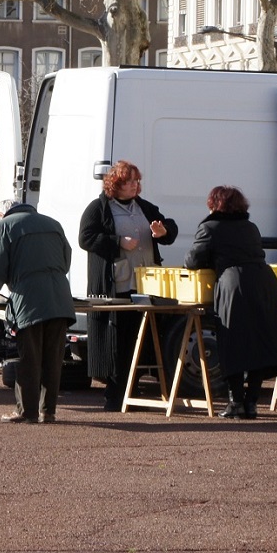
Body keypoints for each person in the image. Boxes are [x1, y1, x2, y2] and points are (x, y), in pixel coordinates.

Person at [184, 186, 277, 419]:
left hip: (234, 284)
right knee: (258, 342)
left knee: (233, 341)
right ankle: (252, 402)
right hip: (264, 282)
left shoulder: (210, 227)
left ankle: (235, 402)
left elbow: (192, 261)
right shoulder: (251, 227)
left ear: (214, 204)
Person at [78, 160, 178, 411]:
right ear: (116, 184)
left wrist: (162, 232)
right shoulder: (99, 208)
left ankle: (135, 390)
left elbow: (170, 228)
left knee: (141, 338)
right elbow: (86, 238)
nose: (135, 185)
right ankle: (115, 394)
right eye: (129, 181)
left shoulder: (144, 207)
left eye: (137, 181)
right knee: (117, 340)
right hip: (116, 284)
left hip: (145, 285)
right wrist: (118, 241)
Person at [0, 199, 75, 424]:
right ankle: (48, 411)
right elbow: (66, 258)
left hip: (29, 298)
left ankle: (27, 412)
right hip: (61, 297)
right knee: (53, 358)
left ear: (2, 213)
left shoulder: (1, 227)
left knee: (28, 357)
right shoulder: (53, 223)